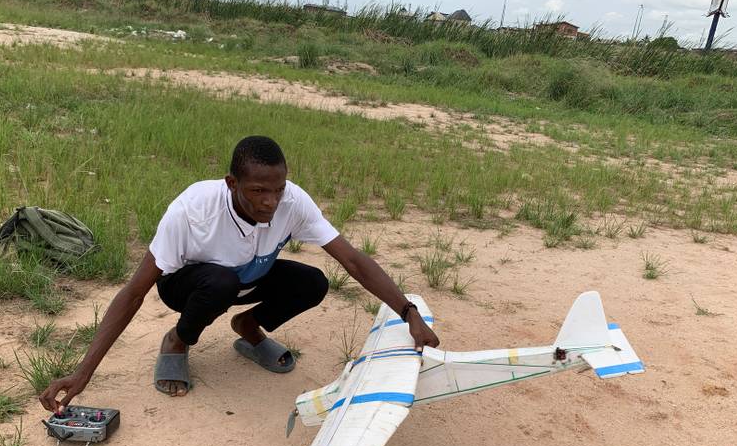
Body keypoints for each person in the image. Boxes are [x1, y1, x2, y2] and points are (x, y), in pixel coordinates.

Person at [39, 136, 439, 412]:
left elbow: (352, 260)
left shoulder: (292, 202)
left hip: (250, 276)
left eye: (278, 190)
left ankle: (248, 327)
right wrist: (83, 371)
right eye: (258, 192)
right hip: (189, 286)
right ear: (232, 183)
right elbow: (133, 293)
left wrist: (408, 312)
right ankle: (177, 341)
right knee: (220, 282)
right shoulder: (192, 210)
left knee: (313, 283)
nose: (271, 202)